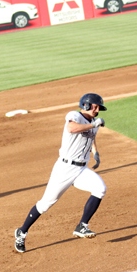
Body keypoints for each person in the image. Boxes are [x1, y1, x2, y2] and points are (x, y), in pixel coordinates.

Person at [14, 93, 108, 253]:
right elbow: (72, 128)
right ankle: (22, 232)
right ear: (85, 105)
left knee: (100, 188)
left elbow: (91, 137)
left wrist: (95, 152)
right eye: (94, 106)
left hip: (81, 169)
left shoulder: (93, 122)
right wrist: (94, 125)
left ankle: (82, 226)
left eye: (99, 108)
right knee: (45, 204)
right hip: (64, 169)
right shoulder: (74, 116)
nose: (97, 110)